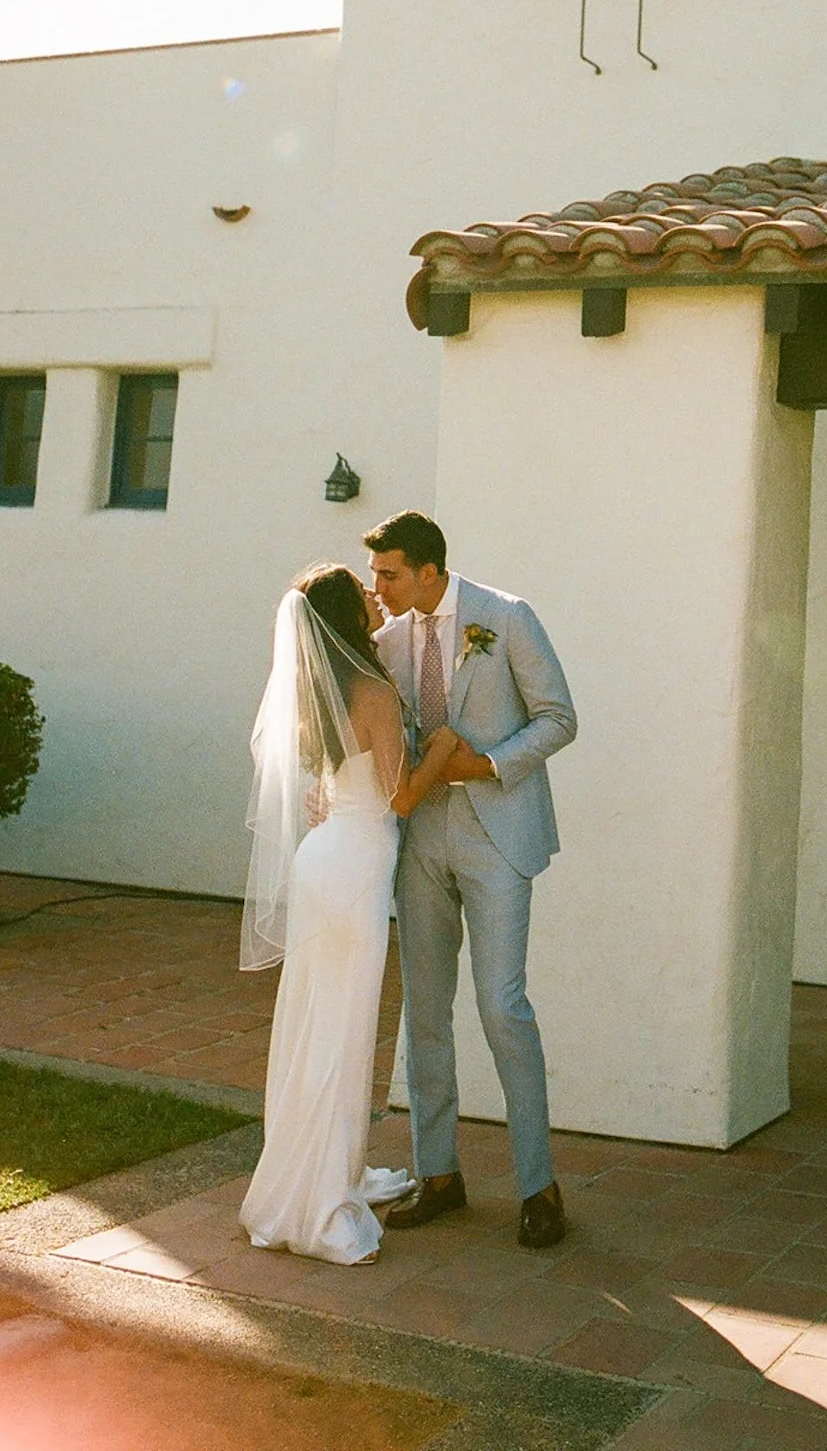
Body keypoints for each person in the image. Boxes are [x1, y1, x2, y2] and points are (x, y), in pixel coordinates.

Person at [365, 512, 577, 1249]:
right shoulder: (387, 640)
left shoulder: (506, 616)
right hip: (420, 839)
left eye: (389, 574)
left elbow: (558, 718)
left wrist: (483, 765)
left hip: (498, 837)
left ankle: (538, 1185)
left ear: (429, 571)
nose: (378, 587)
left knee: (501, 1006)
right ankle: (439, 1174)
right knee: (424, 1012)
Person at [238, 563, 458, 1266]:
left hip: (324, 858)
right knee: (342, 1029)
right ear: (345, 615)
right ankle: (323, 1199)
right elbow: (400, 796)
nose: (373, 594)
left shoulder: (320, 687)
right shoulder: (372, 689)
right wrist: (443, 750)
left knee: (317, 1024)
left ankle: (320, 1174)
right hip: (355, 866)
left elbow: (341, 780)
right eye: (362, 591)